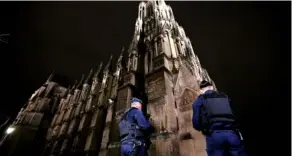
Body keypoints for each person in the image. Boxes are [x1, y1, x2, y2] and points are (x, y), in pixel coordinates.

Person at [192, 80, 246, 156]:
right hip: (232, 133)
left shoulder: (200, 99)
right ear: (212, 87)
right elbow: (235, 113)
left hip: (214, 135)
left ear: (201, 90)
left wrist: (202, 128)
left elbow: (196, 123)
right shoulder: (225, 96)